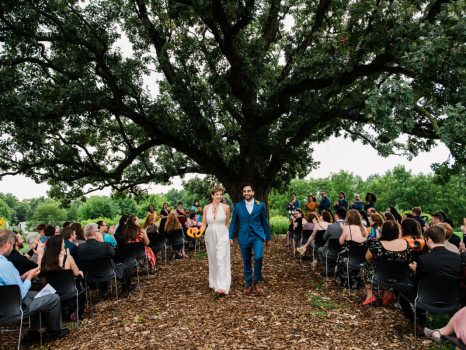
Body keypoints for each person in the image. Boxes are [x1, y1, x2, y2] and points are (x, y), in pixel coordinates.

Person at [0, 229, 69, 345]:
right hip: (13, 306)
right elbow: (20, 293)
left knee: (41, 294)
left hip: (5, 302)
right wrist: (29, 278)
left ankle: (33, 331)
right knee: (53, 296)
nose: (12, 248)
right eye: (12, 245)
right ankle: (54, 331)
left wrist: (21, 278)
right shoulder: (5, 265)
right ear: (7, 244)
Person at [393, 226, 462, 331]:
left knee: (398, 287)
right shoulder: (457, 258)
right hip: (451, 300)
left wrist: (416, 270)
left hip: (426, 299)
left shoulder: (424, 259)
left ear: (429, 239)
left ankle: (415, 320)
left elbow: (417, 285)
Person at [229, 184, 271, 295]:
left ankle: (256, 282)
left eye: (248, 191)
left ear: (253, 192)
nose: (246, 193)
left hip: (257, 236)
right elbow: (234, 222)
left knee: (258, 257)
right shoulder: (238, 206)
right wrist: (230, 237)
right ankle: (248, 284)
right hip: (244, 236)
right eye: (244, 191)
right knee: (246, 260)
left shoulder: (260, 205)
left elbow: (265, 222)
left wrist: (268, 237)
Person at [360, 220, 412, 306]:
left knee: (368, 265)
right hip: (401, 276)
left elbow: (367, 258)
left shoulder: (377, 245)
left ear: (383, 231)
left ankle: (370, 294)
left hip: (381, 275)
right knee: (389, 266)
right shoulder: (406, 243)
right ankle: (387, 293)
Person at [78, 223, 135, 295]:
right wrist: (102, 241)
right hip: (109, 272)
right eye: (98, 231)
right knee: (123, 266)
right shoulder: (105, 245)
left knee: (100, 265)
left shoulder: (80, 247)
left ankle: (104, 291)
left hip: (91, 275)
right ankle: (127, 287)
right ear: (95, 234)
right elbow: (113, 254)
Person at [200, 185, 231, 294]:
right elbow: (204, 224)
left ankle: (222, 286)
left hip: (222, 234)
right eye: (217, 194)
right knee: (213, 259)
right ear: (212, 195)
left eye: (220, 194)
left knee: (220, 259)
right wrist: (198, 231)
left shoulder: (226, 208)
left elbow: (227, 223)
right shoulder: (206, 208)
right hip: (209, 235)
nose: (219, 196)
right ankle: (213, 283)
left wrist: (229, 237)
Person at [334, 209, 367, 289]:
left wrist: (343, 229)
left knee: (340, 254)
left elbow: (341, 242)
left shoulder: (347, 228)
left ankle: (342, 280)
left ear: (348, 218)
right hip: (361, 257)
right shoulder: (364, 228)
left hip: (349, 257)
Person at [317, 207, 347, 277]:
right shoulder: (349, 226)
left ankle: (328, 270)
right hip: (344, 250)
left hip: (330, 250)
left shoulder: (331, 226)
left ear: (336, 216)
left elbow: (324, 238)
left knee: (320, 250)